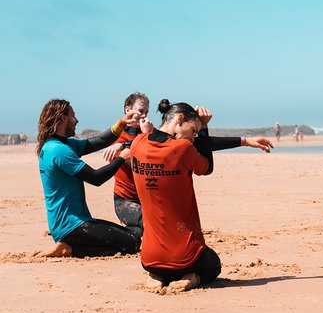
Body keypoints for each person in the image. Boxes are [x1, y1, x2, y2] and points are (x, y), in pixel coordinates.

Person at [131, 99, 273, 293]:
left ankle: (156, 276)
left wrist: (245, 141)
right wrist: (206, 125)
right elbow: (207, 167)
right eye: (194, 130)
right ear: (179, 119)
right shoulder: (182, 149)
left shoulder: (137, 144)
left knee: (160, 260)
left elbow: (166, 140)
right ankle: (192, 277)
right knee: (213, 264)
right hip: (186, 258)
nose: (194, 138)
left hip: (149, 259)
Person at [36, 99, 142, 258]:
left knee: (132, 234)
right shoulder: (59, 150)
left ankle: (71, 246)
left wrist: (121, 123)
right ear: (63, 118)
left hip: (76, 222)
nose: (76, 120)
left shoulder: (62, 144)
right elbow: (96, 178)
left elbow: (98, 142)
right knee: (132, 243)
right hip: (71, 226)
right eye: (73, 116)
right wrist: (121, 158)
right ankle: (70, 250)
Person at [102, 92, 152, 238]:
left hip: (149, 199)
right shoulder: (117, 137)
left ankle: (133, 232)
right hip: (126, 201)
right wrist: (143, 137)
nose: (144, 116)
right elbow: (137, 164)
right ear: (127, 109)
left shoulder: (149, 133)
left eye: (147, 112)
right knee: (149, 223)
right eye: (141, 111)